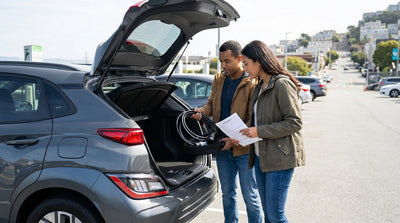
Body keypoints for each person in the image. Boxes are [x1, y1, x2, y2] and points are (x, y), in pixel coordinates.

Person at [191, 40, 262, 223]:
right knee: (228, 194)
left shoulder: (252, 82)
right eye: (221, 61)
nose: (223, 65)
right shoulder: (219, 79)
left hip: (244, 149)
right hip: (222, 147)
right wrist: (201, 112)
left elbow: (252, 117)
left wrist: (237, 137)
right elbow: (211, 105)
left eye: (227, 61)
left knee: (250, 197)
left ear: (239, 58)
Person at [239, 40, 305, 223]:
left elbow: (295, 122)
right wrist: (242, 133)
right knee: (268, 214)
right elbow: (259, 119)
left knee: (276, 216)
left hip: (280, 159)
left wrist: (259, 131)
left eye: (246, 63)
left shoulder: (281, 84)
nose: (244, 68)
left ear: (258, 61)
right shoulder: (260, 86)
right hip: (262, 158)